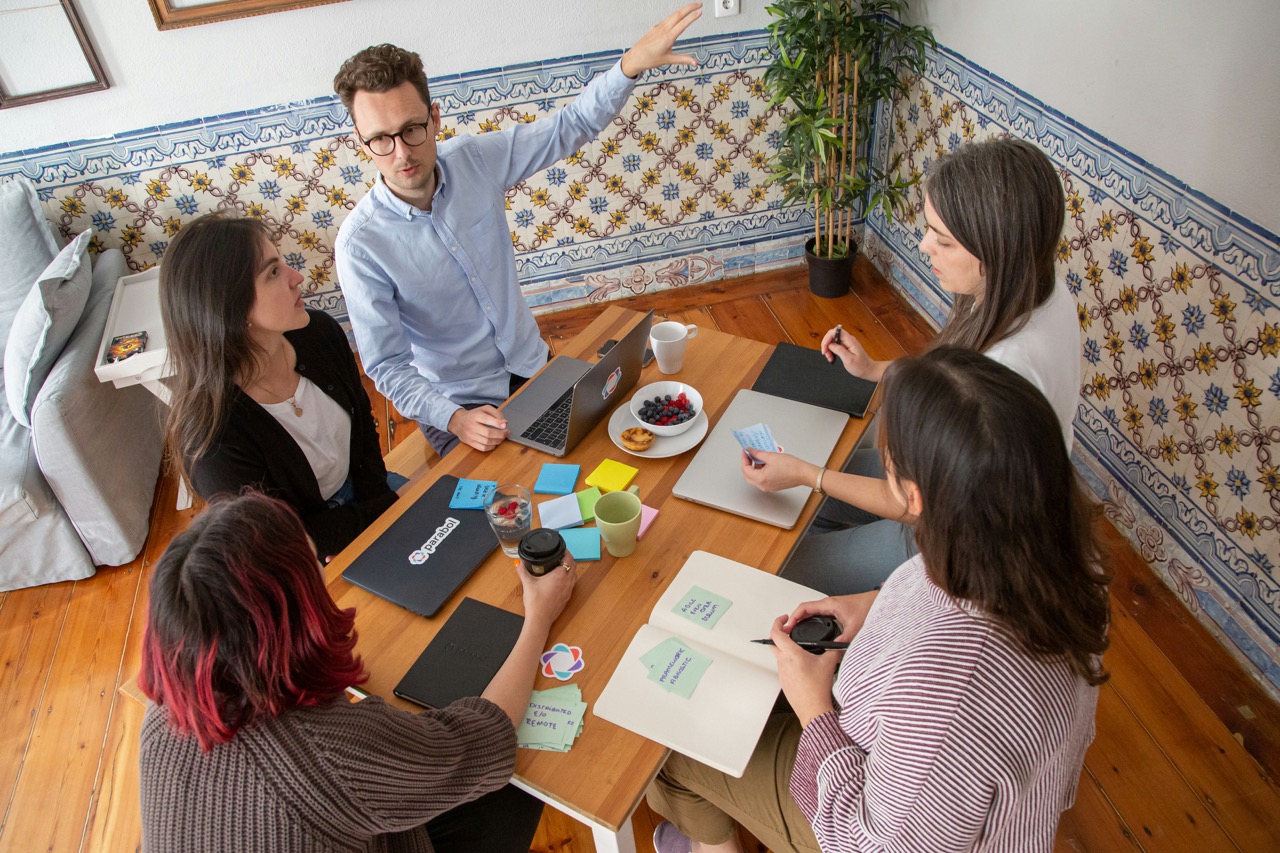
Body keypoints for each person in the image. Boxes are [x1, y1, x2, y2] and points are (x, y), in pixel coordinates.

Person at [647, 346, 1111, 853]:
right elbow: (934, 588)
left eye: (887, 462)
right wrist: (875, 602)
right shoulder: (1055, 549)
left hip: (862, 802)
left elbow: (868, 842)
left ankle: (706, 831)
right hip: (940, 773)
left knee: (669, 748)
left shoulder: (950, 688)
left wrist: (813, 708)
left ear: (912, 497)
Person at [333, 4, 702, 457]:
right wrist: (455, 418)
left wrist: (629, 66)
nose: (400, 153)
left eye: (411, 130)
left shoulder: (474, 160)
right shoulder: (359, 245)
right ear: (361, 141)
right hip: (459, 404)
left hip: (532, 365)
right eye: (379, 139)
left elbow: (570, 127)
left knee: (604, 460)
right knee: (508, 507)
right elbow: (388, 366)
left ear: (434, 119)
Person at [137, 491, 577, 852]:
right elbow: (485, 738)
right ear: (297, 613)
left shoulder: (160, 719)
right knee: (524, 783)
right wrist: (538, 617)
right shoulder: (332, 752)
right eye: (317, 569)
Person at [742, 136, 1081, 594]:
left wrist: (809, 475)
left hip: (960, 545)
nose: (924, 247)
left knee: (772, 568)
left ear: (997, 250)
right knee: (807, 501)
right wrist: (876, 368)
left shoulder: (1011, 368)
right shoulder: (1043, 290)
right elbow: (957, 382)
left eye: (942, 240)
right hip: (951, 494)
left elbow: (914, 504)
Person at [161, 213, 402, 561]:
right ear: (231, 307)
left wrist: (383, 503)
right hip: (300, 556)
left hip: (368, 501)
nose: (297, 277)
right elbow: (282, 544)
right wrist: (381, 517)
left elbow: (364, 434)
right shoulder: (211, 441)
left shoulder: (318, 332)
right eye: (273, 272)